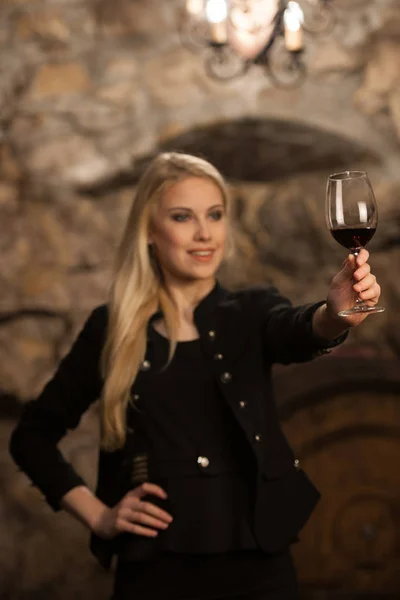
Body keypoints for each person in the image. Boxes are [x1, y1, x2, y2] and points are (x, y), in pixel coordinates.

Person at [9, 152, 382, 600]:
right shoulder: (111, 328)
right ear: (149, 229)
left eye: (215, 215)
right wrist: (99, 516)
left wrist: (335, 316)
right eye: (183, 217)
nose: (204, 233)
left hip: (258, 567)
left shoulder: (252, 311)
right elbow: (31, 436)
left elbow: (298, 329)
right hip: (154, 570)